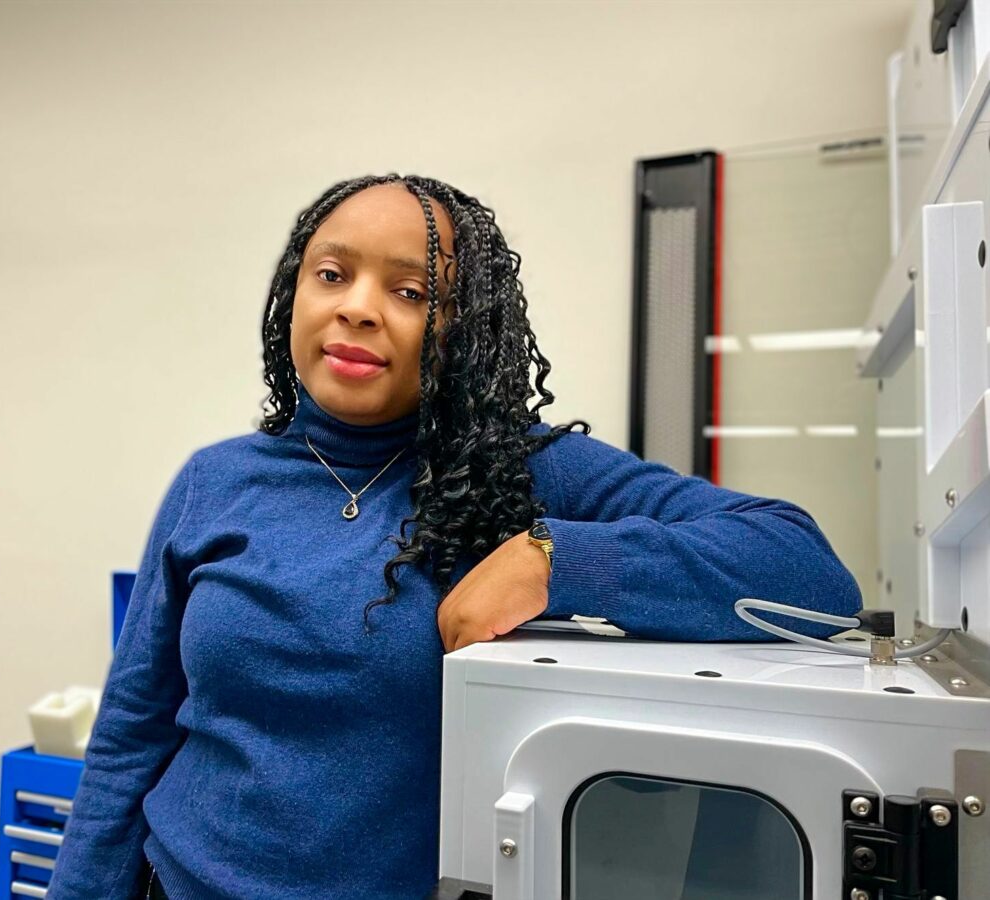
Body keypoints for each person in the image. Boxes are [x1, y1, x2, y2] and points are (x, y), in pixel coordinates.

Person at [44, 173, 862, 900]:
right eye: (332, 274)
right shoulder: (214, 481)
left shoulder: (524, 471)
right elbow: (130, 736)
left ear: (463, 330)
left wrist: (554, 557)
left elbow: (808, 569)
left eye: (409, 292)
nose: (357, 306)